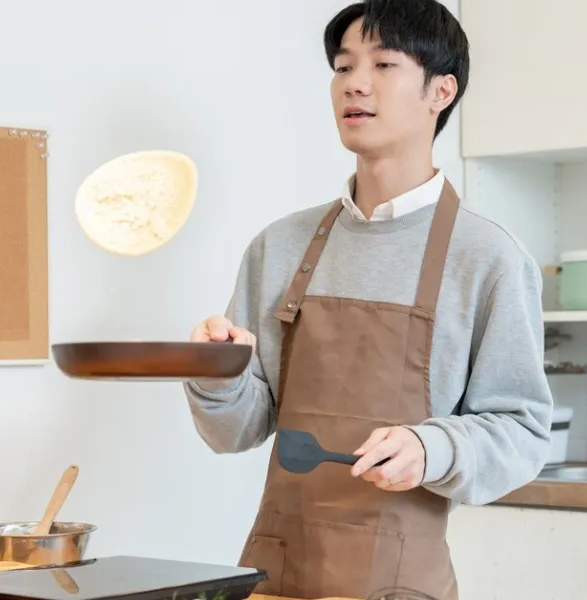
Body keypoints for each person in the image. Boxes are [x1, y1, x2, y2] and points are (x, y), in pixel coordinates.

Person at [183, 1, 553, 598]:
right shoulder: (279, 246)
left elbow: (522, 431)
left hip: (400, 579)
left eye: (383, 64)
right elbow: (237, 432)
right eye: (342, 66)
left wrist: (431, 446)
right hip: (279, 572)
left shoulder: (488, 257)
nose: (354, 82)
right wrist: (215, 375)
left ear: (441, 91)